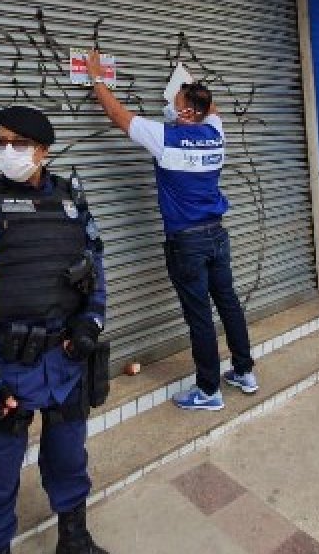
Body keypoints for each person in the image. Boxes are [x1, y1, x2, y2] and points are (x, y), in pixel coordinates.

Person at [0, 106, 109, 554]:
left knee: (70, 457)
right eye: (1, 142)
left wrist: (92, 319)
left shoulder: (72, 203)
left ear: (43, 152)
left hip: (66, 360)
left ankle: (74, 539)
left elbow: (95, 263)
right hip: (8, 364)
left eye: (18, 143)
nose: (7, 151)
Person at [85, 50, 257, 412]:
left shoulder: (166, 138)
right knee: (228, 303)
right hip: (217, 236)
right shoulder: (215, 133)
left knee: (199, 316)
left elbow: (119, 116)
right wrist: (191, 86)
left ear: (188, 112)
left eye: (177, 102)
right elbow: (213, 108)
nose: (171, 107)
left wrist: (96, 78)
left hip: (188, 242)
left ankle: (208, 391)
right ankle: (244, 370)